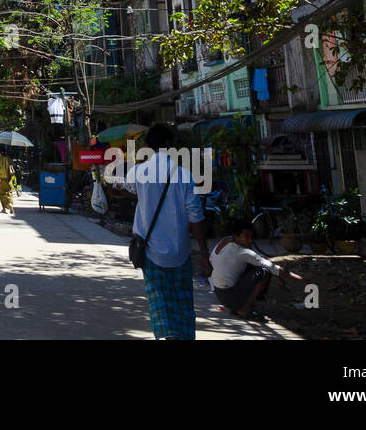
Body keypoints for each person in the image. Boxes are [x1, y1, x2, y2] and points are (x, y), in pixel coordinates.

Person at [127, 123, 210, 340]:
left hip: (150, 252)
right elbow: (195, 216)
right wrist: (204, 252)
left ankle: (169, 336)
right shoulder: (184, 175)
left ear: (148, 145)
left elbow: (128, 187)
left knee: (159, 300)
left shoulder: (138, 172)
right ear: (169, 145)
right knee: (182, 300)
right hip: (180, 252)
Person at [210, 220, 305, 319]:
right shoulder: (244, 252)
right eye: (246, 236)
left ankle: (241, 305)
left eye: (251, 236)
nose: (250, 240)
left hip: (219, 293)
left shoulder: (225, 242)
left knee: (256, 266)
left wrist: (278, 277)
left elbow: (212, 259)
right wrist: (302, 280)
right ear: (236, 237)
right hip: (230, 296)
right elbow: (273, 268)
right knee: (264, 272)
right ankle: (243, 309)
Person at [0, 146, 17, 214]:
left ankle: (4, 208)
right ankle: (10, 204)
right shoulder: (9, 159)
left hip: (0, 180)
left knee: (1, 194)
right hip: (9, 179)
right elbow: (13, 167)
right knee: (9, 193)